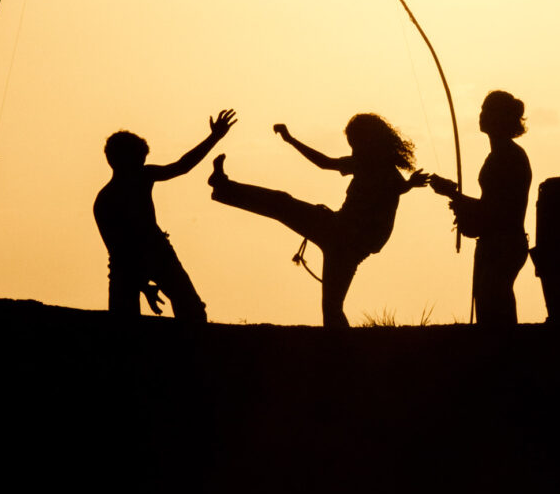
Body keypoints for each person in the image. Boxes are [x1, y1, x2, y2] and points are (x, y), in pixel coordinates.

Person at [208, 114, 427, 327]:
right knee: (332, 307)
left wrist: (410, 184)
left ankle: (223, 187)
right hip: (341, 238)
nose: (353, 150)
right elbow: (324, 163)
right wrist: (291, 140)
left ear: (369, 142)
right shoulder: (364, 164)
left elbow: (396, 188)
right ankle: (223, 186)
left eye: (355, 143)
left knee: (281, 204)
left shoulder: (385, 172)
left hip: (341, 236)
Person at [94, 109, 236, 321]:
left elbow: (182, 166)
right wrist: (143, 286)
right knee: (124, 323)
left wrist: (214, 137)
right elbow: (119, 250)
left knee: (191, 309)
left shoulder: (135, 181)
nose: (142, 164)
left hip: (154, 254)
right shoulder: (112, 197)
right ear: (122, 160)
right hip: (133, 262)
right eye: (138, 159)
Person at [426, 91, 532, 325]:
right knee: (490, 304)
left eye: (487, 111)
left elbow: (497, 210)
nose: (481, 115)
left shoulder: (506, 157)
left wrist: (453, 195)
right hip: (499, 242)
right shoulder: (500, 155)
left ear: (501, 117)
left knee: (494, 306)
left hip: (502, 244)